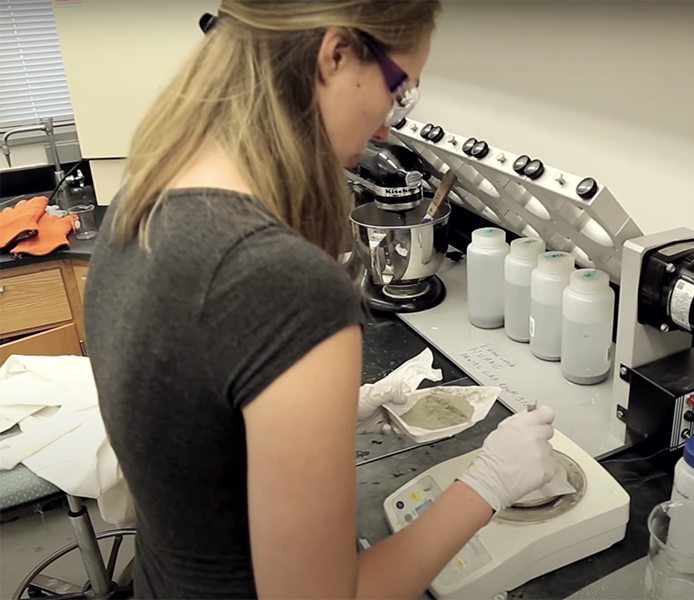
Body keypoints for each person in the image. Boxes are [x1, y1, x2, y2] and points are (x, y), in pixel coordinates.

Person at [84, 2, 560, 600]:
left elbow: (188, 433)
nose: (389, 125)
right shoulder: (285, 285)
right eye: (398, 88)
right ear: (334, 55)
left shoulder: (144, 195)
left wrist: (305, 415)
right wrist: (489, 483)